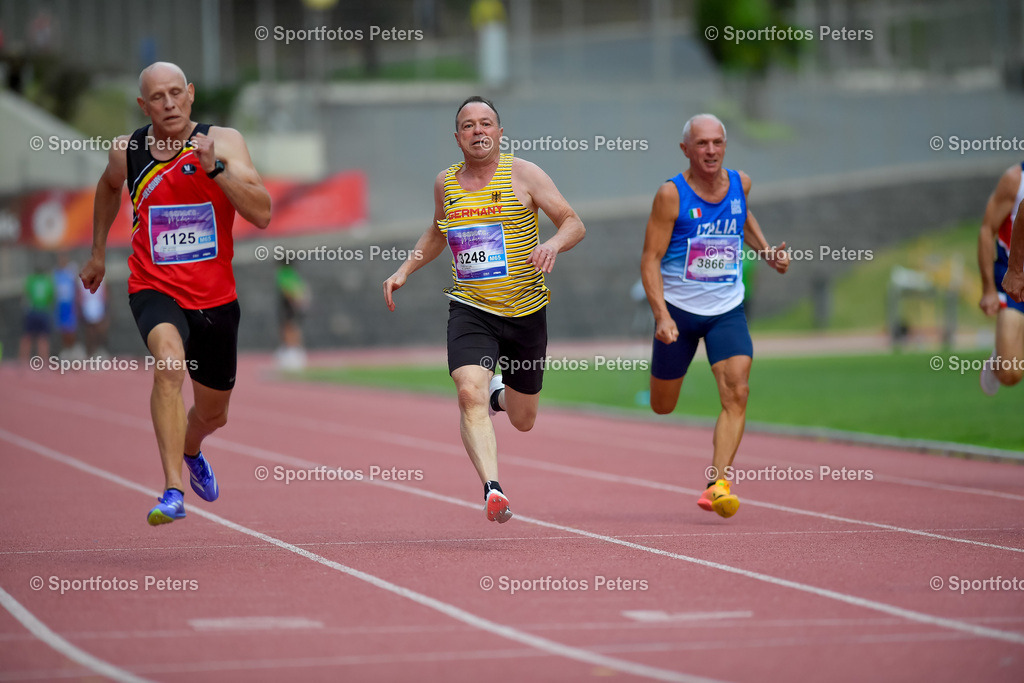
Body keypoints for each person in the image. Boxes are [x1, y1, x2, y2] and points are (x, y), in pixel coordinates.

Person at [80, 62, 271, 525]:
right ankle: (172, 489)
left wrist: (216, 170)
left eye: (174, 93)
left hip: (216, 299)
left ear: (189, 94)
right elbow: (108, 188)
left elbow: (262, 213)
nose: (167, 104)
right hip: (154, 287)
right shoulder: (127, 151)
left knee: (213, 415)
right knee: (168, 366)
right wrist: (99, 251)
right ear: (143, 106)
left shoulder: (223, 142)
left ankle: (191, 448)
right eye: (156, 98)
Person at [383, 96, 585, 523]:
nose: (478, 131)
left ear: (499, 131)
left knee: (523, 419)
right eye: (469, 125)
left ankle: (502, 394)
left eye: (486, 123)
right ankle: (493, 488)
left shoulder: (525, 174)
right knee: (467, 392)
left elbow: (573, 222)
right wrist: (406, 269)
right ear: (457, 137)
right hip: (471, 307)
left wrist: (550, 244)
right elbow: (438, 230)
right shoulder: (446, 184)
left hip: (526, 311)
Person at [640, 113, 789, 518]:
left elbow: (741, 216)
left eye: (717, 143)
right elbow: (650, 259)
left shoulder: (741, 183)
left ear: (725, 146)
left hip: (726, 310)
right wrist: (661, 315)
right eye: (702, 144)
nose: (710, 151)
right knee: (662, 405)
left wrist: (767, 251)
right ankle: (667, 369)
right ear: (686, 149)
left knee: (737, 390)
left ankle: (717, 482)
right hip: (679, 314)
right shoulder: (671, 195)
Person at [982, 165, 1024, 394]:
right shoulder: (1014, 180)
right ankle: (999, 358)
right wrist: (989, 289)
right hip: (1016, 279)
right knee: (1010, 373)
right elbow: (987, 230)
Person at [276, 259, 310, 370]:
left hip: (289, 304)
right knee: (291, 327)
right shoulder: (291, 273)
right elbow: (300, 288)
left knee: (289, 327)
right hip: (291, 304)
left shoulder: (285, 273)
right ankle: (292, 350)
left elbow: (288, 289)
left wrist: (296, 301)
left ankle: (293, 351)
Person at [20, 261, 54, 365]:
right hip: (43, 311)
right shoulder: (48, 281)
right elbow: (50, 297)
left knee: (27, 336)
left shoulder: (31, 280)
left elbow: (26, 295)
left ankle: (23, 361)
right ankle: (43, 361)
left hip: (32, 311)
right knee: (43, 337)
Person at [54, 251, 82, 359]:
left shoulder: (71, 272)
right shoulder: (56, 273)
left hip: (70, 304)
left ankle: (72, 348)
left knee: (71, 328)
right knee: (63, 328)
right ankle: (65, 349)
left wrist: (77, 302)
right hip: (61, 305)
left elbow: (77, 287)